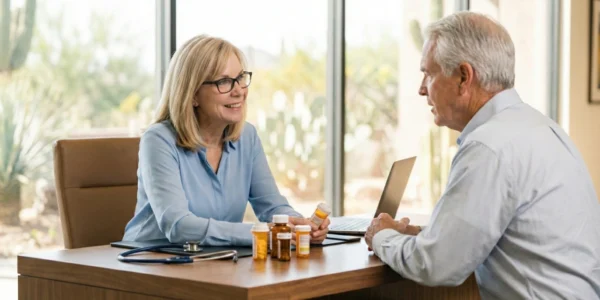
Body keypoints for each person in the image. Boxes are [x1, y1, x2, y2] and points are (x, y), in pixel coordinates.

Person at [365, 11, 600, 299]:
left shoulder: (489, 146)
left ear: (464, 76)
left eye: (429, 72)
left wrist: (381, 236)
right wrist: (427, 234)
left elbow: (437, 265)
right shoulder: (544, 129)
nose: (421, 88)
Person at [123, 35, 329, 246]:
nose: (239, 91)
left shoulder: (247, 136)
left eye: (240, 78)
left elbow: (273, 208)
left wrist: (299, 227)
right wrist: (262, 234)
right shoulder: (158, 140)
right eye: (223, 82)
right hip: (148, 262)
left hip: (215, 260)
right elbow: (179, 226)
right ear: (192, 94)